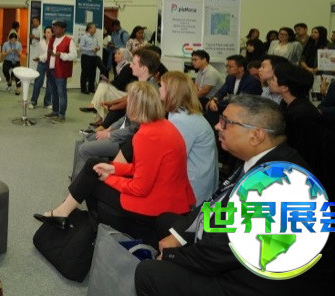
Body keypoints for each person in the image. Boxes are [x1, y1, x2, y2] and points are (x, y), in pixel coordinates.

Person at [135, 95, 323, 296]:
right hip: (229, 248)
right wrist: (179, 236)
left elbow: (224, 250)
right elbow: (218, 201)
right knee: (167, 222)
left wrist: (173, 256)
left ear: (256, 135)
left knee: (148, 273)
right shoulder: (262, 158)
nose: (217, 126)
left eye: (226, 122)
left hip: (250, 282)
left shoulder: (280, 184)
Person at [37, 82, 195, 247]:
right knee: (94, 165)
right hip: (170, 199)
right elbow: (146, 168)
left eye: (129, 101)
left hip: (155, 205)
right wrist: (114, 168)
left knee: (92, 181)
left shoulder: (146, 136)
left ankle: (90, 228)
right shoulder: (163, 126)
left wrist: (108, 178)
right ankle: (64, 213)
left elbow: (140, 188)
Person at [75, 49, 161, 166]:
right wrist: (109, 128)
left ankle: (101, 172)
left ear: (144, 69)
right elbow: (127, 118)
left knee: (84, 148)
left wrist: (110, 134)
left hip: (128, 142)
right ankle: (87, 173)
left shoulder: (148, 92)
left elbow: (135, 129)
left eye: (133, 63)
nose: (130, 65)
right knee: (88, 138)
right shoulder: (143, 87)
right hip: (125, 134)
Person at [160, 72, 218, 203]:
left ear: (171, 91)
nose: (159, 89)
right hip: (194, 179)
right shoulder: (182, 114)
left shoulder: (182, 119)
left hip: (193, 188)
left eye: (161, 86)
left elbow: (172, 159)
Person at [80, 48, 135, 126]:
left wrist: (109, 82)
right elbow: (119, 82)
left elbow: (119, 84)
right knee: (102, 92)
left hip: (126, 95)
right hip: (121, 92)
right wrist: (109, 82)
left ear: (124, 56)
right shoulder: (120, 66)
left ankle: (94, 106)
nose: (115, 55)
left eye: (118, 53)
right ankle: (99, 117)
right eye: (116, 53)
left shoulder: (127, 67)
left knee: (102, 87)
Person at [44, 20, 77, 123]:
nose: (54, 29)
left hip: (61, 71)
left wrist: (62, 55)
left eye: (57, 28)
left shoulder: (69, 41)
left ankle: (61, 115)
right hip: (51, 70)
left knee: (61, 93)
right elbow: (49, 55)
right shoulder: (52, 40)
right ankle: (55, 111)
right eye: (54, 27)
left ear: (63, 29)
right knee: (53, 92)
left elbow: (74, 55)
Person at [29, 26, 53, 109]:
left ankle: (47, 102)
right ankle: (33, 101)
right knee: (38, 82)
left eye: (49, 32)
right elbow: (40, 53)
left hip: (50, 64)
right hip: (41, 63)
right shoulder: (41, 42)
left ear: (52, 33)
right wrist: (40, 58)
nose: (47, 34)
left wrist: (40, 58)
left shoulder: (54, 43)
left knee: (50, 83)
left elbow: (49, 54)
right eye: (46, 32)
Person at [78, 23, 103, 94]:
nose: (95, 29)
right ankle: (83, 89)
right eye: (94, 28)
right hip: (86, 57)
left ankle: (91, 88)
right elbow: (81, 47)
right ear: (89, 29)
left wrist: (98, 48)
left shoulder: (95, 38)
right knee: (85, 73)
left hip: (94, 57)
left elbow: (97, 46)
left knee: (93, 73)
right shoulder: (84, 37)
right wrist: (91, 49)